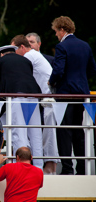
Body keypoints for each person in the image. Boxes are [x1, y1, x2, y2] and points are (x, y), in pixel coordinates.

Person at [48, 16, 96, 175]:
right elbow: (92, 70)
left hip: (65, 94)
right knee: (78, 131)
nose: (56, 35)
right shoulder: (85, 45)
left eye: (56, 31)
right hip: (82, 94)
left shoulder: (62, 46)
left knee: (64, 131)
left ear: (62, 30)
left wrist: (51, 82)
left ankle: (67, 169)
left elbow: (58, 70)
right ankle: (82, 169)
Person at [0, 43, 43, 169]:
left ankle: (21, 168)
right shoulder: (26, 60)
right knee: (35, 133)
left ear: (1, 54)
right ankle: (39, 167)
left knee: (19, 133)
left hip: (16, 96)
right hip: (34, 96)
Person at [11, 34, 59, 174]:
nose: (14, 54)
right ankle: (38, 165)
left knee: (45, 134)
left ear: (21, 47)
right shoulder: (34, 55)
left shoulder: (29, 56)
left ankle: (47, 167)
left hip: (48, 100)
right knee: (37, 134)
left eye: (15, 50)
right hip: (44, 99)